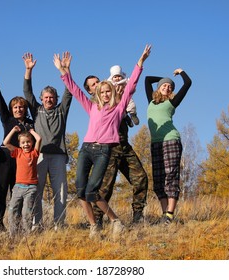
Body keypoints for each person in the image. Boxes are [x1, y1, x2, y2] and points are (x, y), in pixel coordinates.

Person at [53, 44, 151, 239]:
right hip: (86, 149)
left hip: (103, 151)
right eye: (102, 91)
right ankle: (93, 226)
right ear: (96, 93)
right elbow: (74, 89)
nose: (105, 93)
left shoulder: (119, 108)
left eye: (108, 91)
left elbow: (130, 87)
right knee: (81, 190)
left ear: (112, 92)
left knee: (92, 190)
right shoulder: (92, 107)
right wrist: (63, 70)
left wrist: (140, 63)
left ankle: (115, 221)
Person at [83, 75, 148, 228]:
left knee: (141, 178)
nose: (98, 85)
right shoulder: (95, 104)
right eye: (94, 85)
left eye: (99, 82)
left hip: (124, 146)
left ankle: (138, 215)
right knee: (105, 187)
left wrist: (119, 96)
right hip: (107, 149)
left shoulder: (112, 95)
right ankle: (97, 220)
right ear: (91, 91)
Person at [22, 52, 72, 231]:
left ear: (56, 99)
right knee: (37, 191)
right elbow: (27, 93)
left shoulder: (61, 110)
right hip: (40, 155)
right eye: (46, 97)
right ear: (42, 99)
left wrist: (65, 69)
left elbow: (69, 91)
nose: (49, 99)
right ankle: (37, 224)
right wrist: (28, 71)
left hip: (58, 155)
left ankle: (60, 224)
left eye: (52, 97)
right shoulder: (36, 110)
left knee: (60, 192)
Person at [0, 67, 34, 232]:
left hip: (21, 159)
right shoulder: (8, 119)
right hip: (5, 157)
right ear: (12, 109)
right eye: (15, 107)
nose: (18, 109)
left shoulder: (30, 123)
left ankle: (17, 225)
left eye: (21, 107)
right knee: (1, 189)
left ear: (25, 109)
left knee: (17, 191)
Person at [145, 68, 192, 225]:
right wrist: (164, 78)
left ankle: (170, 214)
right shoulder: (150, 101)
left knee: (170, 176)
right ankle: (164, 215)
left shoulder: (172, 102)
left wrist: (181, 73)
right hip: (155, 143)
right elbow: (147, 79)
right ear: (158, 88)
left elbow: (188, 83)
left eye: (170, 87)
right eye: (164, 85)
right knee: (159, 179)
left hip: (171, 140)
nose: (167, 87)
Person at [3, 126, 41, 237]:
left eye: (28, 142)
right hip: (18, 187)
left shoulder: (34, 153)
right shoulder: (18, 152)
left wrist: (32, 131)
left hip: (31, 188)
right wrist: (13, 130)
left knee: (26, 213)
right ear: (19, 144)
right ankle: (13, 234)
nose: (26, 144)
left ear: (32, 143)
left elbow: (39, 139)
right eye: (23, 142)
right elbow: (6, 142)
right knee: (12, 210)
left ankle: (27, 234)